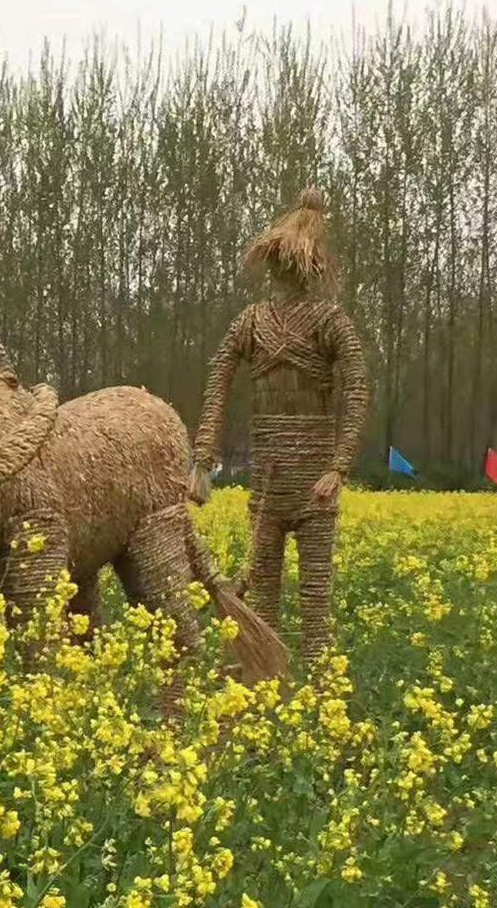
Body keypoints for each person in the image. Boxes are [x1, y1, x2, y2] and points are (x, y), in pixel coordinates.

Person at [189, 187, 368, 665]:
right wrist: (202, 458)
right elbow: (218, 378)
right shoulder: (253, 321)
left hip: (315, 486)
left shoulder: (329, 321)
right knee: (263, 597)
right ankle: (263, 678)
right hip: (268, 482)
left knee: (315, 601)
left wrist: (338, 467)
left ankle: (318, 684)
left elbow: (356, 389)